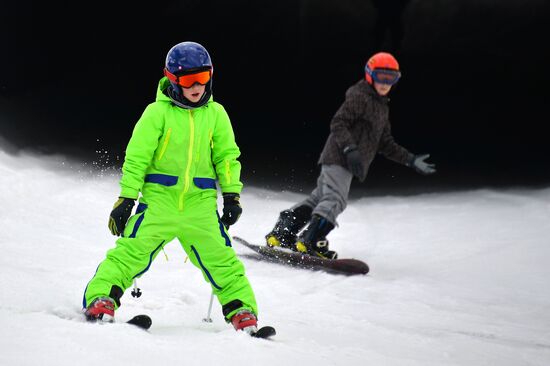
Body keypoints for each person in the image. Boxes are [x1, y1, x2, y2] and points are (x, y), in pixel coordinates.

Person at [82, 41, 261, 334]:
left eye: (203, 78)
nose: (197, 86)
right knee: (129, 253)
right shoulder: (157, 114)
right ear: (173, 79)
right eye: (189, 79)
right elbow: (137, 157)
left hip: (200, 205)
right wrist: (127, 198)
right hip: (159, 202)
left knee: (223, 260)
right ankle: (102, 298)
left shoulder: (216, 114)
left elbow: (227, 156)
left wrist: (231, 195)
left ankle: (242, 310)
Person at [265, 51, 436, 259]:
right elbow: (338, 122)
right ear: (370, 75)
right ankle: (312, 240)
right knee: (336, 199)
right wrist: (350, 149)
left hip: (340, 160)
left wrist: (410, 159)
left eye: (391, 79)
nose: (385, 83)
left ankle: (284, 231)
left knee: (319, 198)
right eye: (381, 77)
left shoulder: (381, 107)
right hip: (339, 158)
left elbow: (385, 143)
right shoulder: (360, 96)